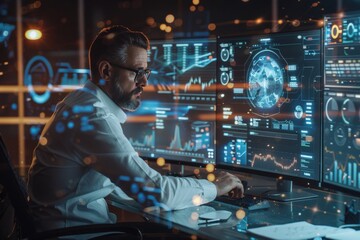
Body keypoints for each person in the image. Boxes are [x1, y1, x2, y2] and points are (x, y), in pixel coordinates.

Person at [27, 25, 244, 231]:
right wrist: (213, 186)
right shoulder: (92, 117)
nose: (144, 83)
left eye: (146, 73)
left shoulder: (79, 103)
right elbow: (156, 192)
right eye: (137, 72)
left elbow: (136, 185)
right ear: (106, 71)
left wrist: (156, 184)